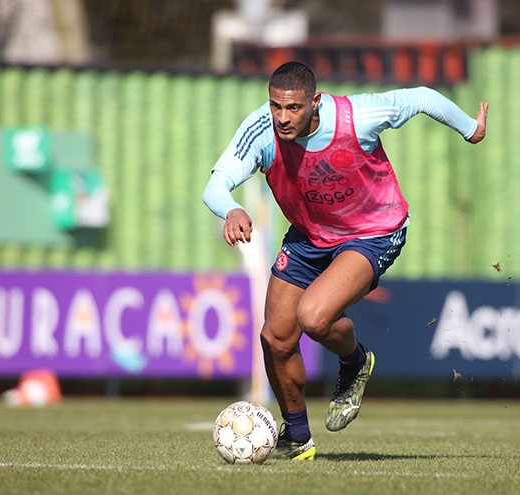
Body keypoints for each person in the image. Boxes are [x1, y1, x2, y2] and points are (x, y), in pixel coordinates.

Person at [204, 61, 488, 460]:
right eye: (276, 106)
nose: (283, 118)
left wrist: (470, 129)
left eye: (293, 108)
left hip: (373, 232)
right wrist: (232, 209)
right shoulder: (261, 129)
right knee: (275, 337)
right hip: (309, 236)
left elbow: (422, 97)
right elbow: (215, 185)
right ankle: (297, 438)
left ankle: (354, 362)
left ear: (315, 102)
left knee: (313, 316)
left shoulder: (358, 116)